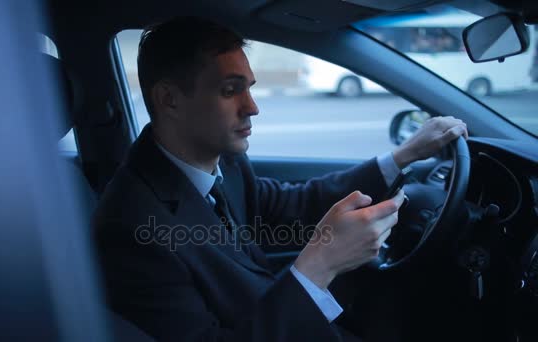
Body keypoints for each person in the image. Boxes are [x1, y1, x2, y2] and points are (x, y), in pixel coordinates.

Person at [93, 16, 468, 341]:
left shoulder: (228, 163)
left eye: (249, 88)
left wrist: (402, 156)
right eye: (230, 90)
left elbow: (297, 204)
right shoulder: (130, 227)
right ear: (169, 100)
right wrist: (322, 263)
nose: (252, 107)